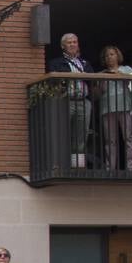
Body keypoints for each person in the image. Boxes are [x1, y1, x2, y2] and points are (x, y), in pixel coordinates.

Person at [49, 32, 94, 167]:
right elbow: (54, 81)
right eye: (69, 42)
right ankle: (59, 164)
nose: (73, 44)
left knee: (82, 134)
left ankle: (77, 166)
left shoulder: (85, 63)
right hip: (66, 101)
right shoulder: (56, 62)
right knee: (63, 132)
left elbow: (93, 80)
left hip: (83, 101)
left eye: (75, 42)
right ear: (63, 46)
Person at [97, 45, 132, 169]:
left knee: (129, 138)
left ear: (117, 55)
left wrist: (119, 75)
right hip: (107, 108)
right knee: (110, 140)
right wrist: (102, 83)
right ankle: (111, 168)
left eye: (112, 54)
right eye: (107, 55)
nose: (109, 57)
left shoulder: (127, 69)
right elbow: (97, 94)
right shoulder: (101, 74)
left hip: (125, 106)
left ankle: (131, 168)